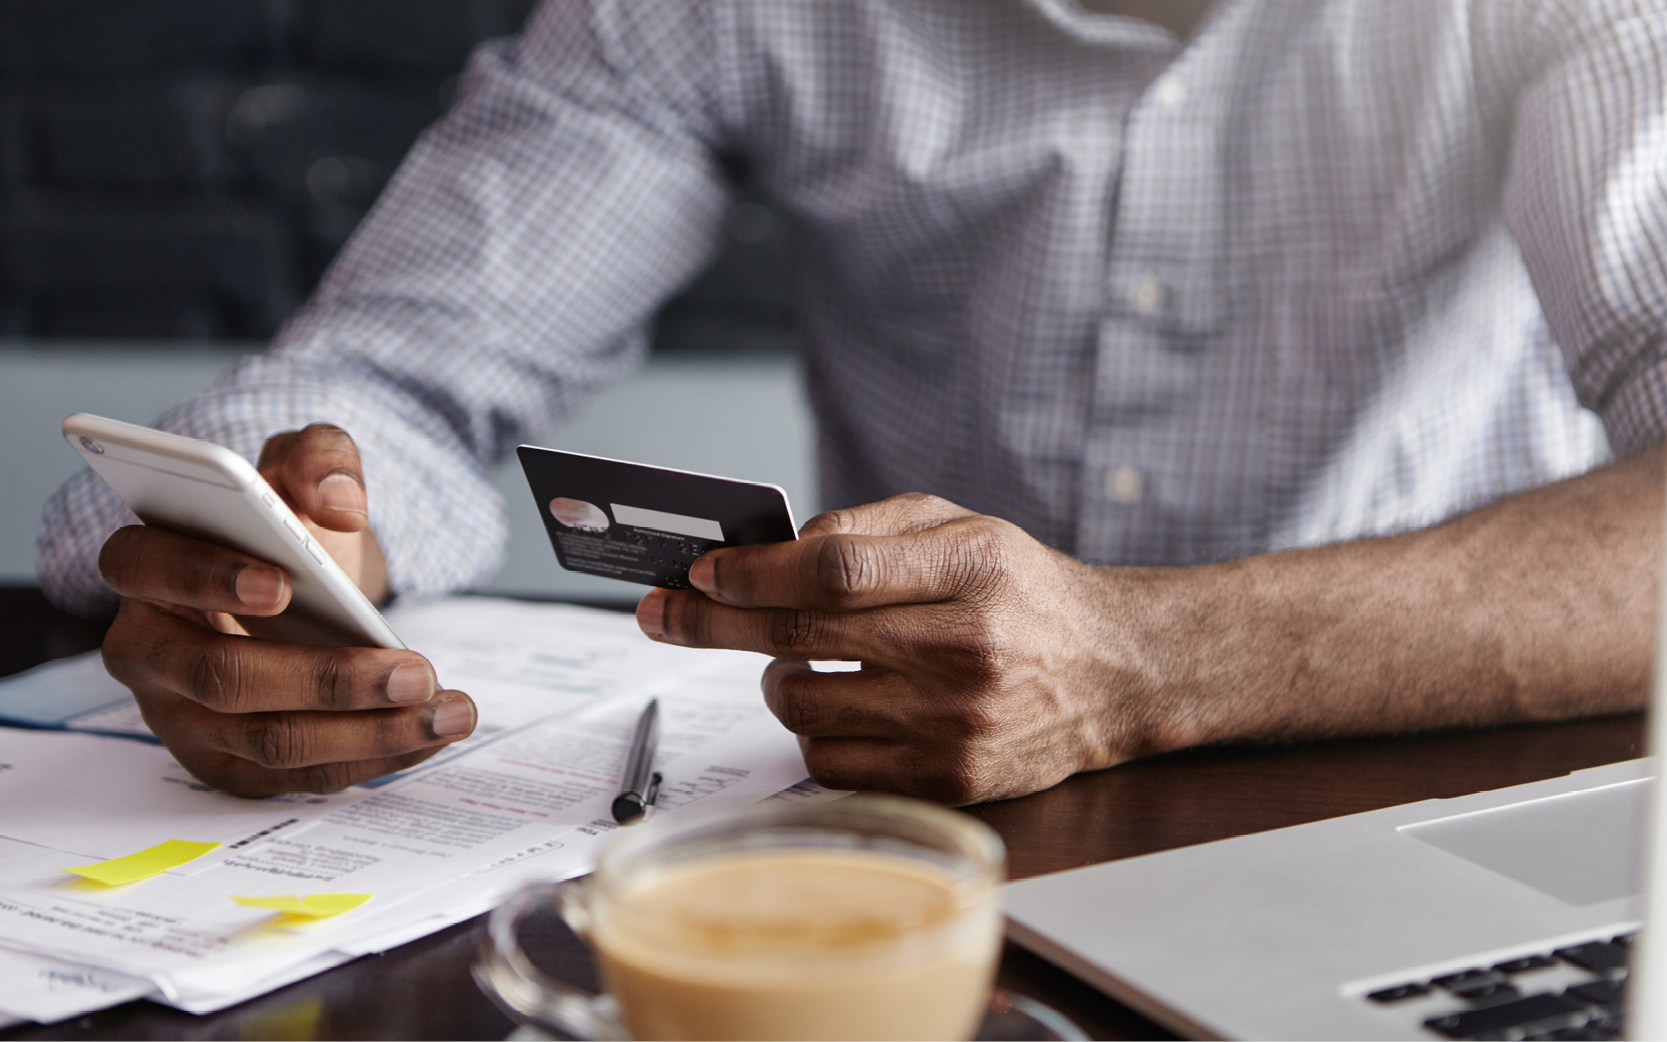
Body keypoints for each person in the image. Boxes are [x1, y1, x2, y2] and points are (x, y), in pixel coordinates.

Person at [38, 0, 1667, 804]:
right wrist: (293, 544)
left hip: (1418, 793)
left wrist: (1144, 658)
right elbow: (392, 373)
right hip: (896, 827)